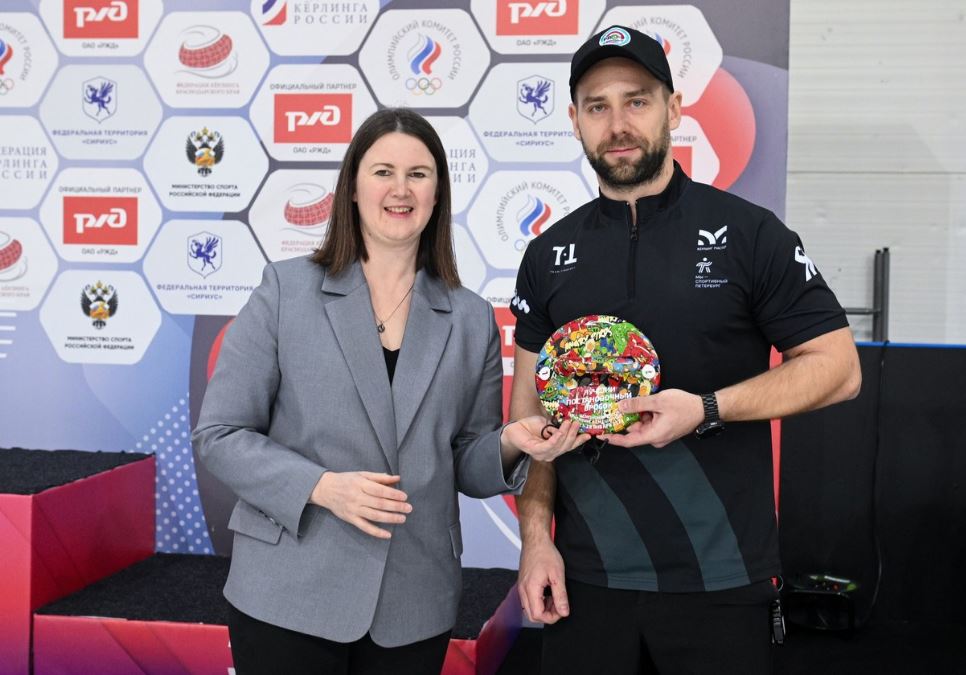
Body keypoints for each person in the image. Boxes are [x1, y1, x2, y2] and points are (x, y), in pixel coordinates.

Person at [509, 26, 862, 675]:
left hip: (720, 577)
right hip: (587, 580)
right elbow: (530, 419)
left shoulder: (750, 234)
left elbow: (839, 369)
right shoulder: (549, 255)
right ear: (575, 121)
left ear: (673, 109)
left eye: (637, 100)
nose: (618, 123)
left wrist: (705, 407)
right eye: (597, 106)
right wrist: (536, 541)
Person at [192, 108, 583, 675]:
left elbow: (465, 463)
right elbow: (221, 435)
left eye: (418, 174)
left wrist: (509, 443)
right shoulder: (285, 290)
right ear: (353, 187)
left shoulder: (470, 317)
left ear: (437, 194)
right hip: (287, 592)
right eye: (383, 172)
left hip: (413, 600)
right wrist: (322, 487)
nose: (401, 189)